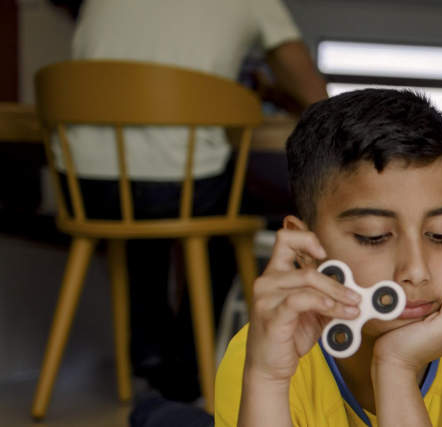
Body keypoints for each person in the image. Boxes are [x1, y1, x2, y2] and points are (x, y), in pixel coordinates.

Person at [214, 89, 442, 426]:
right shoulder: (267, 354)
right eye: (373, 236)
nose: (416, 270)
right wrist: (268, 380)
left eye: (441, 234)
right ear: (305, 251)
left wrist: (395, 368)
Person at [55, 0, 328, 401]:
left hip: (84, 184)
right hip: (178, 183)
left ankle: (149, 349)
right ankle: (188, 366)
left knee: (137, 217)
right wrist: (276, 94)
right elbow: (318, 100)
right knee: (228, 218)